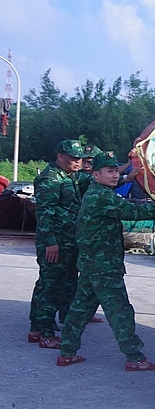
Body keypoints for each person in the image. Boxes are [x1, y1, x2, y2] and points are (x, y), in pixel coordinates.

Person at [55, 151, 155, 370]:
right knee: (120, 312)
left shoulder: (96, 191)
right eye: (110, 171)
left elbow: (119, 197)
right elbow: (131, 211)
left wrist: (129, 175)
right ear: (96, 174)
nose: (115, 175)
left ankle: (66, 352)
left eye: (116, 171)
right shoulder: (102, 197)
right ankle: (134, 358)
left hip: (91, 264)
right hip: (104, 266)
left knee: (80, 310)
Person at [28, 139, 93, 348]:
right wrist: (50, 243)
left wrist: (129, 168)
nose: (78, 161)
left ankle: (37, 327)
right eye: (73, 158)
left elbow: (98, 178)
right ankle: (45, 334)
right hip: (55, 242)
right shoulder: (50, 178)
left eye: (79, 158)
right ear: (60, 157)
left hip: (67, 240)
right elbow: (44, 214)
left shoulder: (71, 176)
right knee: (51, 285)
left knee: (54, 282)